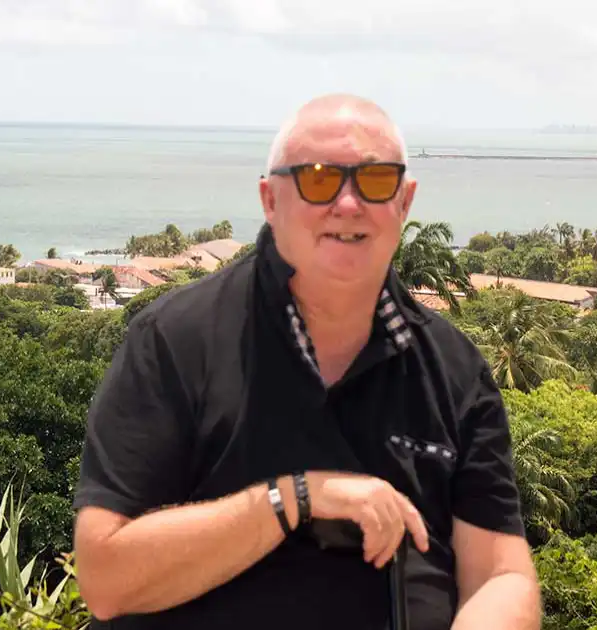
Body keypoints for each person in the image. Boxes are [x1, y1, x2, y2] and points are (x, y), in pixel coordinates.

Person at [71, 93, 541, 630]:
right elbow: (106, 580)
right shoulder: (175, 341)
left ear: (405, 202)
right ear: (270, 200)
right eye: (319, 180)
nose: (348, 203)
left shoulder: (455, 371)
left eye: (376, 180)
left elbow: (502, 576)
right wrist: (290, 500)